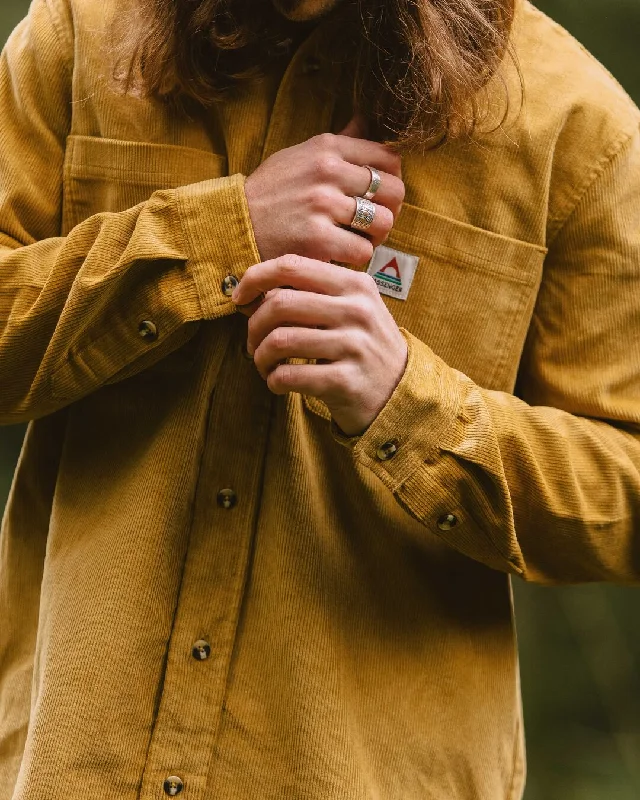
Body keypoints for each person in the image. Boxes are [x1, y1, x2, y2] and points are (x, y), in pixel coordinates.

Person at [0, 0, 638, 797]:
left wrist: (408, 405)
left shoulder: (579, 127)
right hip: (72, 765)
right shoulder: (81, 30)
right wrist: (221, 233)